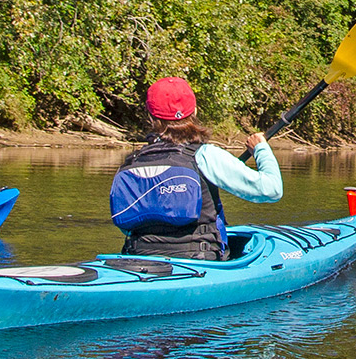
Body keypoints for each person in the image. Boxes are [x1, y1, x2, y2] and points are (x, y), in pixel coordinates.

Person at [109, 77, 282, 261]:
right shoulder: (206, 156)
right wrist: (261, 149)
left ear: (149, 116)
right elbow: (271, 190)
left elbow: (126, 224)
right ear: (195, 111)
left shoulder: (131, 163)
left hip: (139, 258)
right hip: (200, 259)